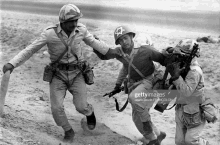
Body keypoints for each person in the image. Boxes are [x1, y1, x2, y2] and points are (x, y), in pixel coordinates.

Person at [2, 4, 118, 143]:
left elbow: (95, 43)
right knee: (56, 108)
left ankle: (90, 113)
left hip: (77, 73)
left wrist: (113, 52)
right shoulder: (49, 34)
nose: (74, 24)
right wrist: (13, 63)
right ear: (62, 21)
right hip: (58, 75)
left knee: (81, 106)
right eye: (71, 21)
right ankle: (68, 130)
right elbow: (30, 49)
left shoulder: (81, 30)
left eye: (76, 20)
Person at [94, 26, 167, 145]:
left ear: (132, 36)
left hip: (150, 83)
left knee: (134, 99)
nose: (124, 42)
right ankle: (158, 134)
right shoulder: (120, 53)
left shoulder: (144, 50)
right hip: (135, 85)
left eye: (126, 38)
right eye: (120, 40)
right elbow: (113, 60)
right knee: (136, 117)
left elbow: (163, 59)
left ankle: (153, 139)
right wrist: (117, 85)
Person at [166, 39, 213, 145]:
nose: (178, 57)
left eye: (180, 55)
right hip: (181, 109)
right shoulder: (184, 68)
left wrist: (176, 77)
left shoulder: (194, 72)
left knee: (190, 141)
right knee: (179, 141)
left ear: (189, 56)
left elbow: (187, 92)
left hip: (194, 111)